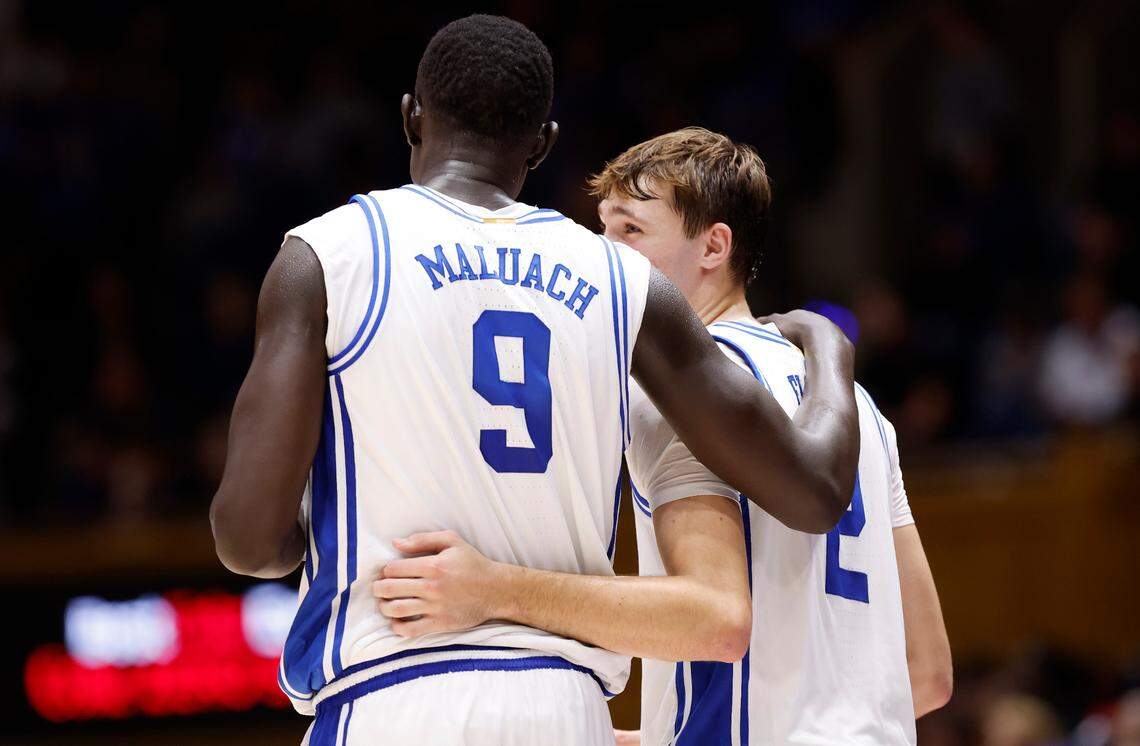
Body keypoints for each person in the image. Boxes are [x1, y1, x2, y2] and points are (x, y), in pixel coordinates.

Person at [209, 16, 860, 746]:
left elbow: (245, 538)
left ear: (410, 118)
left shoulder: (324, 254)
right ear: (543, 142)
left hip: (392, 695)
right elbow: (814, 491)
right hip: (568, 710)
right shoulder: (623, 280)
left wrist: (336, 518)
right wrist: (830, 349)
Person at [374, 128, 953, 744]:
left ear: (714, 246)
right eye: (602, 227)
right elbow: (928, 676)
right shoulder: (859, 410)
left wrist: (493, 589)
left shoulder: (681, 394)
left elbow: (715, 619)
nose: (605, 252)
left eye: (630, 230)